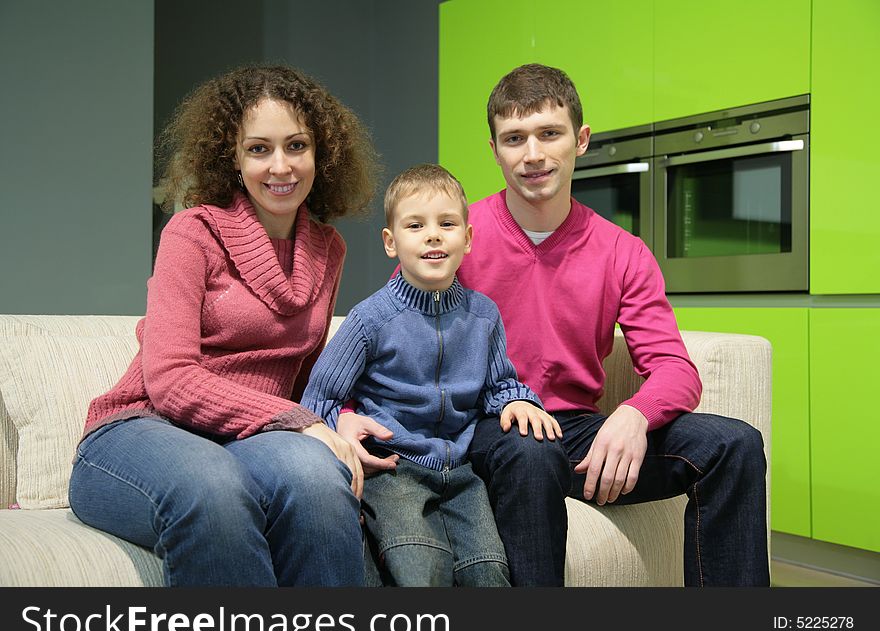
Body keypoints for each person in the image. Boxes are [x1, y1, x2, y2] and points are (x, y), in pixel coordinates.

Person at [340, 64, 770, 587]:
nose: (533, 154)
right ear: (495, 149)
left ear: (580, 140)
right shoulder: (455, 235)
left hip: (576, 429)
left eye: (550, 133)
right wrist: (343, 413)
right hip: (481, 429)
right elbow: (384, 333)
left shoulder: (622, 251)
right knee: (531, 449)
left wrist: (634, 415)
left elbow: (676, 369)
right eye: (514, 138)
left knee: (735, 445)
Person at [68, 64, 382, 587]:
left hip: (244, 441)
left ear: (320, 154)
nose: (280, 166)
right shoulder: (192, 232)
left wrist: (336, 417)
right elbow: (169, 380)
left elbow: (306, 378)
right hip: (140, 430)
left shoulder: (328, 249)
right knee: (213, 488)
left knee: (319, 481)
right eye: (259, 149)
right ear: (232, 158)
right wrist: (300, 422)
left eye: (296, 146)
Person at [301, 164, 561, 586]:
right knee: (420, 570)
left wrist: (518, 400)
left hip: (461, 474)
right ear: (391, 242)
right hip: (394, 468)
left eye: (447, 223)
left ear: (468, 238)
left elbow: (499, 386)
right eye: (416, 225)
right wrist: (343, 429)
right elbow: (318, 400)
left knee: (490, 573)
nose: (433, 235)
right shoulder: (371, 319)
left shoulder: (483, 315)